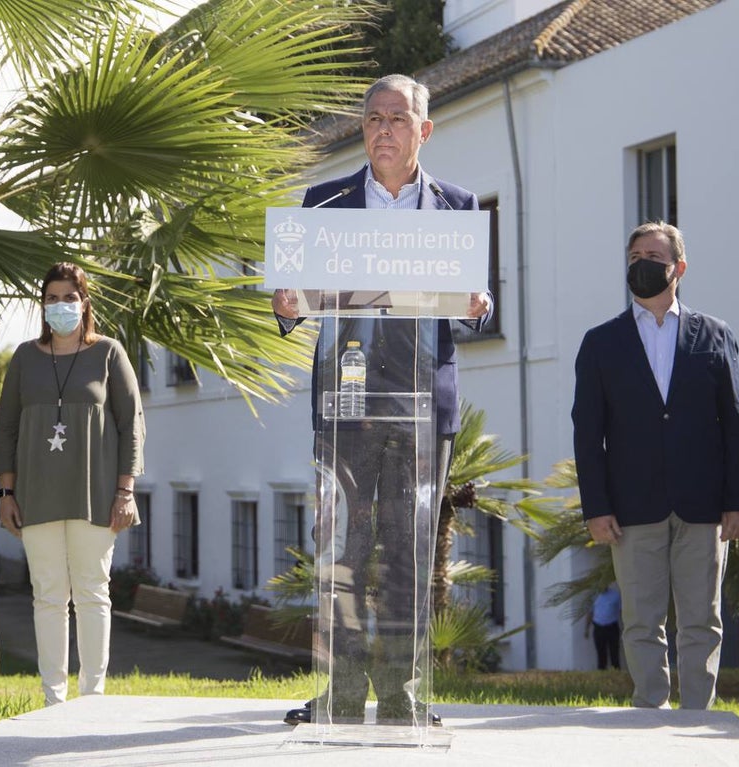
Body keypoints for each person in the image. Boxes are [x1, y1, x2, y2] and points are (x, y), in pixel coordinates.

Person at [273, 74, 493, 727]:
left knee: (408, 554)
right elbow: (291, 301)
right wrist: (286, 305)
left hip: (424, 408)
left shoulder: (458, 206)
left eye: (399, 118)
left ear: (424, 130)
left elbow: (477, 305)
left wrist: (480, 306)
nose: (384, 130)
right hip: (346, 406)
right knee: (344, 550)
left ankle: (401, 696)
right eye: (373, 118)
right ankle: (339, 694)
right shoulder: (322, 202)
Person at [571, 221, 739, 710]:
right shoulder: (600, 342)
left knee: (701, 620)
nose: (642, 264)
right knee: (641, 620)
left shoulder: (716, 335)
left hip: (704, 506)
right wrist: (596, 506)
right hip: (632, 507)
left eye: (653, 255)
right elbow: (588, 434)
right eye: (634, 257)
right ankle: (649, 714)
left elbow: (736, 422)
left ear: (679, 268)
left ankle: (698, 718)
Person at [0, 263, 145, 707]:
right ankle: (53, 698)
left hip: (96, 495)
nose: (61, 306)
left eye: (69, 298)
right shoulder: (23, 357)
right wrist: (5, 494)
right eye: (53, 298)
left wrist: (125, 491)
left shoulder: (109, 353)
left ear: (85, 304)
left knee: (94, 593)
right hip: (35, 495)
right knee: (48, 595)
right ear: (43, 305)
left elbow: (131, 425)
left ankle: (92, 696)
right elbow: (6, 430)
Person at [585, 582, 622, 670]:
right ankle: (602, 676)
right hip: (598, 628)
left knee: (614, 654)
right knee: (601, 655)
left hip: (612, 628)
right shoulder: (594, 596)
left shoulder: (615, 595)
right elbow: (590, 613)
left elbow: (621, 611)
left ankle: (616, 676)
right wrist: (586, 629)